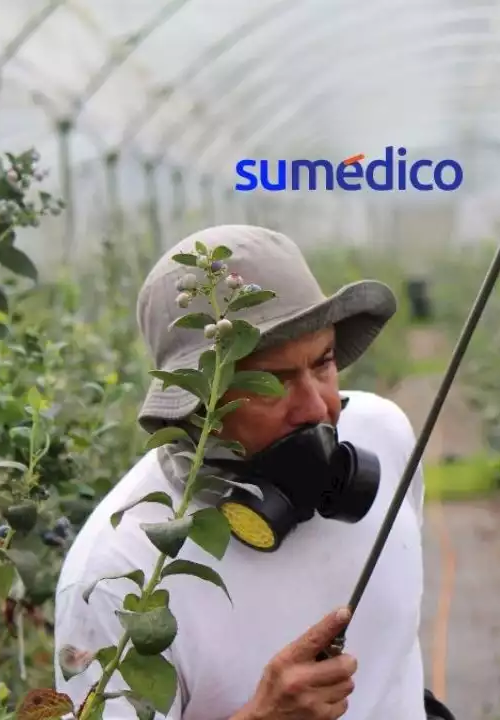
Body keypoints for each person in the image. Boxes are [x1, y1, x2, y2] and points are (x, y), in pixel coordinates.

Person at [52, 225, 447, 719]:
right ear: (198, 403)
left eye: (323, 363)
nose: (319, 406)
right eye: (272, 383)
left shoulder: (384, 436)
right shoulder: (117, 578)